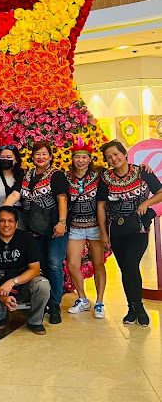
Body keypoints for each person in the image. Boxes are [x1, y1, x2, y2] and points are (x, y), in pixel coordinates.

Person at [97, 140, 162, 326]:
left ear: (124, 154)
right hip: (116, 230)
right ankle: (131, 308)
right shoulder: (105, 178)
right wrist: (103, 233)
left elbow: (160, 192)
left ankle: (138, 307)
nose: (114, 159)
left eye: (116, 154)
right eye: (109, 157)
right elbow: (101, 206)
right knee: (125, 268)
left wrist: (145, 204)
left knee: (131, 264)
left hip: (138, 229)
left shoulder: (142, 172)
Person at [4, 141, 69, 324]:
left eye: (44, 154)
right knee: (39, 265)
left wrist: (62, 223)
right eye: (37, 154)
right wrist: (1, 212)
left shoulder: (56, 175)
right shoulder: (27, 175)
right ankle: (44, 300)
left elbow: (62, 199)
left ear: (50, 157)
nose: (40, 157)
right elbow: (16, 195)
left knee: (55, 264)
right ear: (32, 156)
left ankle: (54, 304)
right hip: (35, 229)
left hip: (56, 228)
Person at [0, 206, 50, 335]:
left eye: (10, 221)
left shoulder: (26, 239)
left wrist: (13, 281)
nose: (6, 225)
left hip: (23, 286)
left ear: (16, 224)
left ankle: (35, 321)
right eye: (2, 221)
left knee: (43, 284)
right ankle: (0, 316)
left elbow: (35, 269)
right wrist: (2, 297)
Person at [65, 138, 106, 319]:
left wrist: (144, 167)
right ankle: (82, 298)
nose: (80, 161)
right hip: (75, 227)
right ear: (72, 159)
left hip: (96, 226)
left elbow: (121, 169)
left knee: (98, 264)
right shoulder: (66, 177)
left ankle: (100, 302)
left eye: (84, 157)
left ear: (90, 159)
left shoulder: (100, 176)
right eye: (77, 157)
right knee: (73, 264)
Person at [0, 145, 24, 229]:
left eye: (9, 157)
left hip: (19, 222)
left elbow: (15, 196)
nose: (5, 159)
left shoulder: (23, 177)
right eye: (2, 157)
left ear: (16, 160)